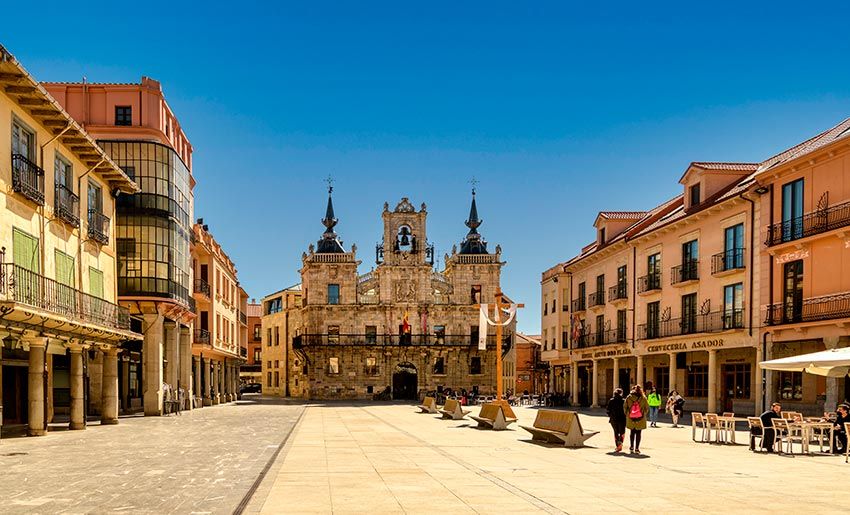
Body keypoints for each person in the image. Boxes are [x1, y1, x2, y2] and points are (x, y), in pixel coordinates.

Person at [624, 385, 649, 454]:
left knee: (632, 432)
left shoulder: (629, 397)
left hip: (631, 418)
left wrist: (628, 414)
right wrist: (643, 414)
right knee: (638, 433)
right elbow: (647, 408)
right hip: (640, 418)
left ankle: (631, 447)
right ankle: (637, 448)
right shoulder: (643, 398)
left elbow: (625, 407)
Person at [606, 388, 627, 452]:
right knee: (622, 432)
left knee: (615, 432)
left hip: (613, 419)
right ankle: (620, 443)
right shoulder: (624, 400)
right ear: (621, 393)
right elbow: (626, 409)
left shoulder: (611, 400)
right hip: (622, 419)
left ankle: (617, 445)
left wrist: (610, 416)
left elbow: (608, 409)